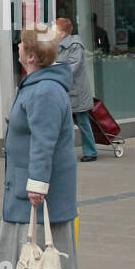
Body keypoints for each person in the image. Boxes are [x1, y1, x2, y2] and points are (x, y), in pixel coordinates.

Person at [0, 26, 79, 269]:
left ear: (30, 56)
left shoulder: (43, 90)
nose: (17, 46)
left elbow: (44, 142)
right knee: (37, 246)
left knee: (42, 248)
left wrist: (37, 185)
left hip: (37, 186)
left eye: (21, 44)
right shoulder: (38, 85)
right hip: (27, 180)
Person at [53, 16, 97, 162]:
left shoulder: (75, 45)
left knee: (83, 121)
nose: (52, 30)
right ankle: (65, 153)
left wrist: (54, 70)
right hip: (66, 90)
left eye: (55, 28)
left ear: (62, 33)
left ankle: (91, 152)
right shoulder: (57, 44)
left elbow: (72, 67)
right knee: (65, 123)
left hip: (76, 91)